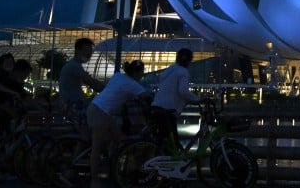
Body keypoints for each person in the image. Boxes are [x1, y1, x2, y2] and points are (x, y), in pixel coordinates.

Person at [86, 60, 151, 188]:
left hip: (98, 107)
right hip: (101, 112)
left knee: (117, 139)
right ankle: (94, 180)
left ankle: (111, 165)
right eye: (142, 73)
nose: (142, 75)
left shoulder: (118, 75)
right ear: (136, 72)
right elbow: (146, 96)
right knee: (97, 147)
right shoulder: (133, 85)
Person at [151, 48, 201, 154]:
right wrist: (198, 99)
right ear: (189, 60)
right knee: (172, 141)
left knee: (164, 139)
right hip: (168, 110)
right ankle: (168, 165)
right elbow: (183, 91)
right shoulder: (183, 72)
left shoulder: (170, 69)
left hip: (156, 106)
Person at [58, 37, 105, 130]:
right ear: (77, 50)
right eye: (86, 51)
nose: (89, 54)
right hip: (74, 105)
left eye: (90, 51)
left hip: (71, 104)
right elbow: (91, 82)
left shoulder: (74, 64)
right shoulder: (74, 66)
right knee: (94, 127)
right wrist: (107, 89)